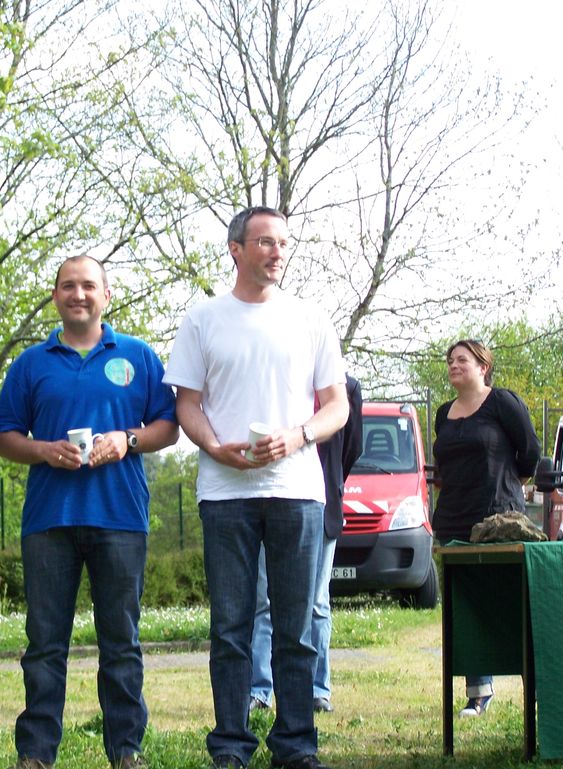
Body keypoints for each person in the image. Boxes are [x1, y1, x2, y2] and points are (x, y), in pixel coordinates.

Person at [164, 206, 349, 769]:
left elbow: (336, 406)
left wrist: (298, 436)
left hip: (297, 491)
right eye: (266, 242)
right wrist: (213, 446)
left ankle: (295, 746)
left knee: (296, 629)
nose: (277, 252)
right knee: (230, 629)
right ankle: (230, 745)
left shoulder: (311, 319)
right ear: (236, 250)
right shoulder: (202, 320)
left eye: (284, 243)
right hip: (225, 495)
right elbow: (187, 405)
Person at [0, 255, 179, 769]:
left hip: (120, 517)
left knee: (121, 641)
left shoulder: (138, 356)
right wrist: (43, 450)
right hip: (48, 520)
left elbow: (169, 426)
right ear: (55, 295)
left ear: (106, 296)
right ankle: (35, 753)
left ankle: (126, 749)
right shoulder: (31, 363)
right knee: (44, 643)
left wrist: (127, 440)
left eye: (89, 286)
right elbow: (3, 436)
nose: (79, 294)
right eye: (69, 286)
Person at [431, 339, 539, 718]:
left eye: (462, 359)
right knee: (466, 608)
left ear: (483, 366)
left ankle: (536, 689)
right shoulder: (443, 414)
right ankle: (478, 693)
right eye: (450, 360)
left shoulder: (502, 403)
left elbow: (530, 452)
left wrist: (510, 485)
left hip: (497, 522)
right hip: (453, 523)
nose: (453, 365)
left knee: (511, 605)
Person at [250, 375, 363, 715]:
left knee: (316, 602)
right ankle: (259, 689)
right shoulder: (274, 375)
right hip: (269, 498)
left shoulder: (347, 388)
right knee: (263, 600)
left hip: (323, 505)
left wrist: (329, 483)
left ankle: (317, 689)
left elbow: (351, 448)